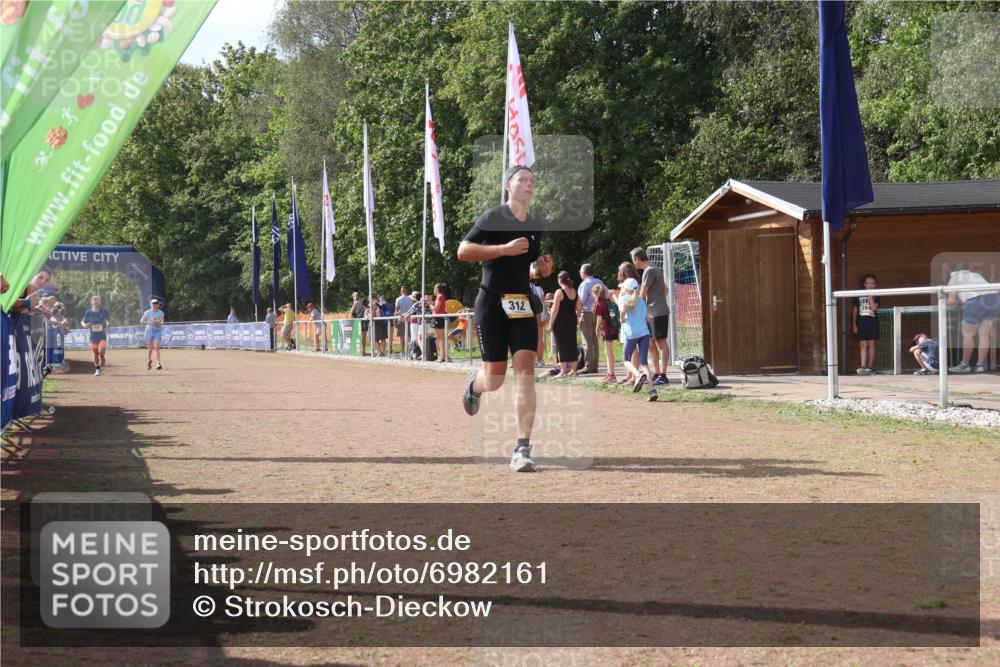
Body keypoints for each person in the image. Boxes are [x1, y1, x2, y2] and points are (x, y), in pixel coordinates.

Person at [457, 164, 553, 472]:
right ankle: (475, 386)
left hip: (522, 304)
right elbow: (463, 251)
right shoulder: (493, 217)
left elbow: (527, 268)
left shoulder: (535, 224)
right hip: (492, 303)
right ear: (508, 186)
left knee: (526, 372)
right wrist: (503, 249)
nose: (528, 183)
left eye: (532, 180)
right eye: (522, 179)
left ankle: (522, 448)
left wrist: (540, 270)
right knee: (495, 379)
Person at [946, 269, 999, 373]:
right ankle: (980, 365)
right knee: (984, 334)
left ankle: (964, 364)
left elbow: (951, 301)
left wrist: (943, 300)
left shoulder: (953, 279)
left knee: (968, 335)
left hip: (975, 301)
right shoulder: (975, 275)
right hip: (994, 300)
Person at [631, 248, 670, 386]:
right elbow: (665, 289)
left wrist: (630, 306)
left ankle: (663, 375)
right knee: (651, 343)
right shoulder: (654, 268)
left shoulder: (649, 271)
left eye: (633, 261)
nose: (634, 264)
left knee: (660, 343)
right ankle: (657, 373)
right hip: (652, 312)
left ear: (637, 259)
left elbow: (641, 296)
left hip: (657, 313)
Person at [617, 277, 657, 402]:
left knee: (625, 359)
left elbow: (623, 312)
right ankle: (652, 391)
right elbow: (647, 318)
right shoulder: (641, 300)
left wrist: (622, 319)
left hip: (631, 334)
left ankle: (638, 374)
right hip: (644, 333)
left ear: (625, 289)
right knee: (644, 363)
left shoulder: (624, 299)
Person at [548, 271, 582, 378]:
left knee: (561, 345)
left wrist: (550, 324)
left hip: (560, 321)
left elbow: (555, 309)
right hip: (571, 320)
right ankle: (573, 370)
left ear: (559, 280)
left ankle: (563, 372)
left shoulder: (559, 292)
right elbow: (580, 307)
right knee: (572, 344)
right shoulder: (574, 291)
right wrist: (576, 317)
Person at [615, 262, 641, 385]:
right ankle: (629, 374)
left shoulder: (629, 285)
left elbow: (624, 304)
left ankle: (634, 376)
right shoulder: (632, 283)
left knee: (632, 349)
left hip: (630, 319)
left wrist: (613, 298)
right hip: (630, 318)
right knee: (631, 348)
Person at [577, 264, 605, 374]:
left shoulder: (584, 284)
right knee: (595, 341)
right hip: (598, 314)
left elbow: (581, 300)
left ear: (583, 273)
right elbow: (606, 293)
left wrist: (577, 313)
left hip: (587, 313)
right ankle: (595, 366)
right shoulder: (599, 281)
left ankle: (588, 366)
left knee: (587, 341)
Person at [851, 273, 880, 375]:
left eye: (872, 283)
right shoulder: (858, 295)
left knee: (870, 343)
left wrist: (870, 297)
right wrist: (854, 324)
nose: (870, 285)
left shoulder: (877, 295)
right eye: (868, 283)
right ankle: (863, 366)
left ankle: (870, 367)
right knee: (863, 344)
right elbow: (854, 310)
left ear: (875, 284)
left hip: (872, 323)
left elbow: (874, 308)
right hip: (861, 323)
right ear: (864, 284)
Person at [592, 283, 619, 382]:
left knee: (608, 352)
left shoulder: (599, 303)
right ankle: (609, 373)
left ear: (594, 294)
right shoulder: (606, 301)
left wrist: (596, 328)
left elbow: (599, 318)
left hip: (607, 330)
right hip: (612, 328)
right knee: (608, 352)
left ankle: (611, 374)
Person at [81, 295, 110, 375]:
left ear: (100, 302)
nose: (96, 301)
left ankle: (102, 357)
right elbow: (83, 322)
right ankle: (97, 369)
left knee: (103, 348)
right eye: (95, 300)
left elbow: (108, 321)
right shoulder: (88, 312)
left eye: (98, 300)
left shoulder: (104, 311)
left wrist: (107, 326)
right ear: (92, 302)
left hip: (102, 334)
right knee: (95, 352)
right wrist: (85, 325)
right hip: (93, 335)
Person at [529, 269, 549, 367]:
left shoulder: (525, 287)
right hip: (540, 314)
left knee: (529, 338)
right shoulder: (540, 289)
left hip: (529, 315)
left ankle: (531, 360)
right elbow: (543, 303)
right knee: (539, 338)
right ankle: (540, 360)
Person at [140, 298, 166, 370]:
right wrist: (150, 322)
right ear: (150, 304)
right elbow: (141, 321)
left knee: (157, 347)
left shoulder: (161, 313)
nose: (154, 305)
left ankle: (158, 363)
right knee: (150, 348)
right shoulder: (147, 312)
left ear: (158, 305)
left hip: (157, 331)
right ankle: (149, 360)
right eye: (153, 303)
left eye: (156, 303)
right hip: (149, 331)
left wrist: (159, 323)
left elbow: (162, 322)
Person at [393, 286, 414, 357]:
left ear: (401, 291)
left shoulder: (398, 299)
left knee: (402, 337)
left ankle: (403, 351)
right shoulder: (411, 299)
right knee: (410, 336)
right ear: (406, 291)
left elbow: (396, 311)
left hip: (401, 320)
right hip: (409, 319)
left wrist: (395, 321)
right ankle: (410, 351)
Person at [431, 283, 449, 363]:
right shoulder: (440, 297)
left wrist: (429, 303)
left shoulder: (439, 296)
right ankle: (442, 356)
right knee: (438, 338)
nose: (433, 289)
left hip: (438, 318)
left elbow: (435, 309)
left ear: (437, 289)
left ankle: (442, 357)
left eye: (434, 288)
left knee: (440, 338)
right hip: (437, 318)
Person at [350, 292, 367, 356]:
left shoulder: (355, 303)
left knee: (357, 336)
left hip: (357, 321)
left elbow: (351, 312)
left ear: (354, 297)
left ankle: (358, 350)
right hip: (363, 320)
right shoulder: (362, 302)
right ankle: (364, 351)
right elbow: (366, 309)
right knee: (363, 336)